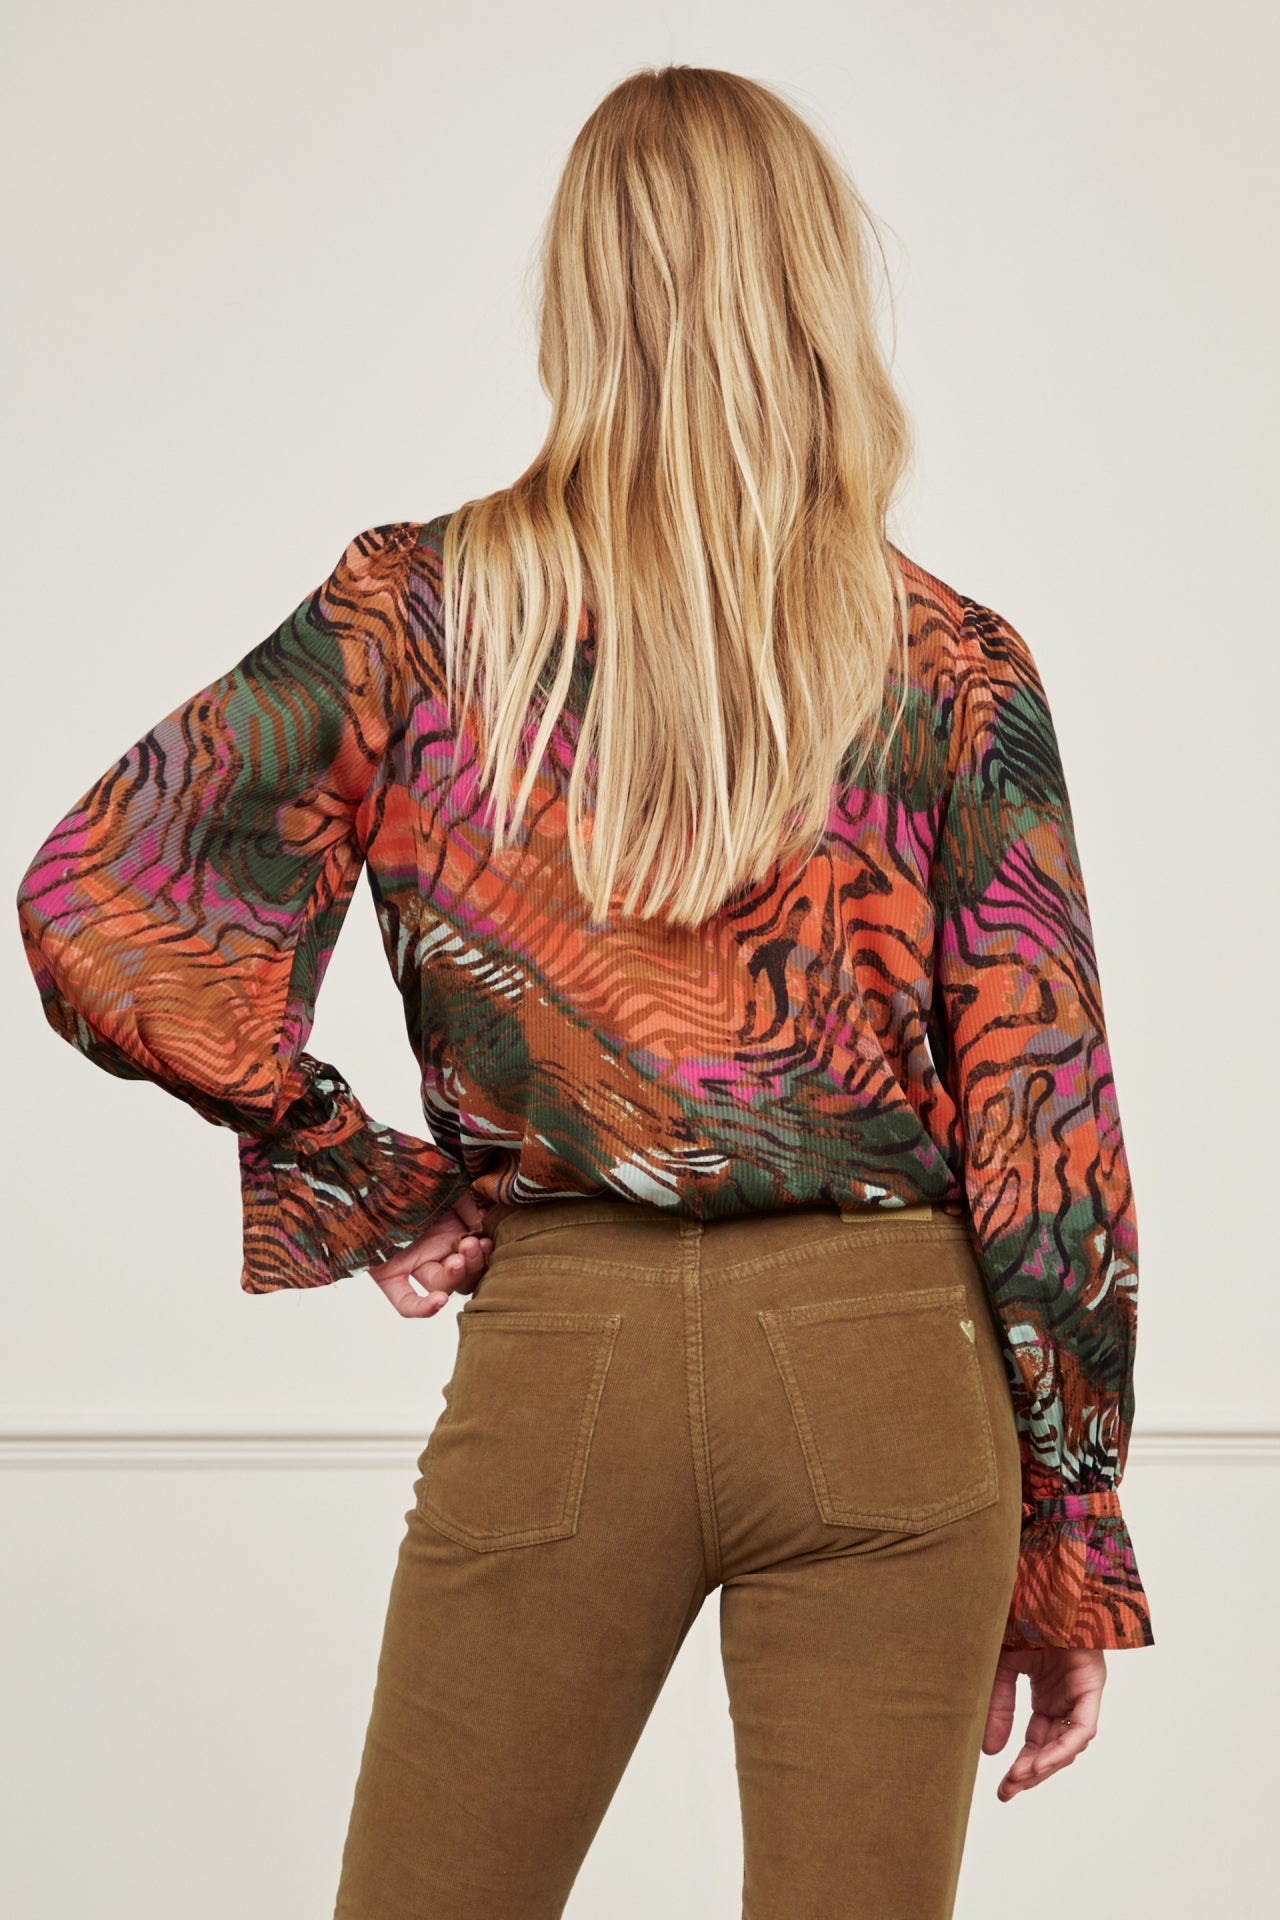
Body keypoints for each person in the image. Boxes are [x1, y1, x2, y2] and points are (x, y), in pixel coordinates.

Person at [14, 61, 1151, 1920]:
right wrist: (1068, 1528)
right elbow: (1048, 1126)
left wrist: (360, 1177)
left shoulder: (417, 613)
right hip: (890, 1363)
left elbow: (105, 899)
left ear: (581, 294)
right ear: (814, 290)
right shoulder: (952, 663)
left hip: (571, 1352)